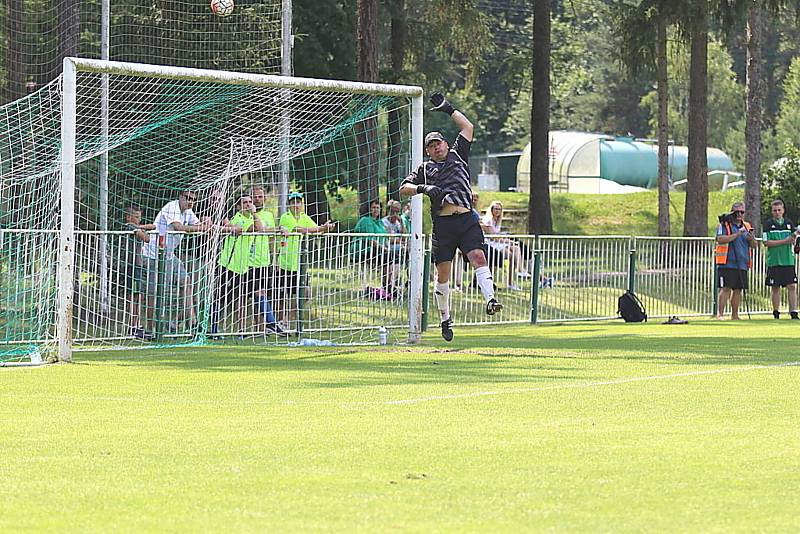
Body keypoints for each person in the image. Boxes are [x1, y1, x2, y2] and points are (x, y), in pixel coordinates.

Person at [399, 92, 502, 342]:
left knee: (478, 256)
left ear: (446, 143)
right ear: (428, 151)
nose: (437, 147)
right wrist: (423, 188)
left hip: (466, 220)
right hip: (443, 225)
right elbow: (403, 190)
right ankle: (445, 318)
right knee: (442, 274)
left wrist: (448, 109)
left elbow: (468, 126)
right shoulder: (424, 168)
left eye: (439, 143)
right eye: (431, 146)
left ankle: (491, 299)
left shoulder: (459, 154)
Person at [141, 190, 212, 339]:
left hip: (169, 255)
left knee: (186, 282)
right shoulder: (172, 207)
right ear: (180, 197)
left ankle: (192, 325)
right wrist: (202, 228)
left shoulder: (188, 211)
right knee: (155, 294)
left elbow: (201, 225)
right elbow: (180, 228)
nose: (190, 201)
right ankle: (149, 329)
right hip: (154, 255)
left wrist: (209, 224)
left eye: (193, 199)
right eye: (187, 198)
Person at [276, 191, 336, 329]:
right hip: (285, 263)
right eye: (293, 202)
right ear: (289, 205)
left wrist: (326, 228)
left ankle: (290, 318)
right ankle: (282, 322)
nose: (296, 205)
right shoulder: (286, 217)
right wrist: (321, 228)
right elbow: (300, 229)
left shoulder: (304, 217)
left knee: (306, 293)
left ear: (302, 204)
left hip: (300, 264)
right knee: (282, 296)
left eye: (298, 202)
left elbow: (316, 229)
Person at [211, 194, 264, 337]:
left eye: (250, 202)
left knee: (240, 298)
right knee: (219, 298)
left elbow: (259, 227)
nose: (248, 204)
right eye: (245, 203)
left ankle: (241, 330)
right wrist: (254, 213)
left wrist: (254, 214)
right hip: (228, 265)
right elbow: (256, 229)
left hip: (242, 266)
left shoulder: (249, 218)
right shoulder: (239, 219)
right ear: (239, 207)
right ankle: (212, 328)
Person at [249, 186, 289, 336]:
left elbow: (271, 238)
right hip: (247, 261)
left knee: (261, 294)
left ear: (265, 198)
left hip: (264, 262)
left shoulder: (268, 214)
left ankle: (265, 327)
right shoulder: (246, 215)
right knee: (240, 296)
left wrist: (274, 259)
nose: (257, 199)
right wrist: (278, 228)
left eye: (260, 197)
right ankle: (271, 324)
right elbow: (261, 229)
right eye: (255, 197)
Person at [714, 201, 758, 320]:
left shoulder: (747, 226)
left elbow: (754, 245)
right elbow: (720, 239)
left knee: (738, 289)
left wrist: (751, 239)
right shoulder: (725, 225)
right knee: (726, 288)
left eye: (741, 212)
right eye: (736, 212)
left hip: (742, 263)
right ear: (732, 212)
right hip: (727, 262)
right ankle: (720, 314)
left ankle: (735, 315)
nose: (739, 214)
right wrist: (737, 234)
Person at [762, 199, 800, 319]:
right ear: (772, 212)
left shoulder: (788, 223)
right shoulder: (768, 224)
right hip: (774, 260)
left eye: (779, 210)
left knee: (792, 285)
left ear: (783, 210)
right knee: (775, 287)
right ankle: (776, 312)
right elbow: (766, 242)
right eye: (775, 210)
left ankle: (793, 312)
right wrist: (785, 241)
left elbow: (793, 238)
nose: (777, 212)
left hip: (788, 260)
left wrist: (795, 238)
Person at [352, 199, 397, 299]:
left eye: (378, 208)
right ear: (369, 209)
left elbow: (385, 238)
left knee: (394, 256)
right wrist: (385, 249)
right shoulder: (365, 220)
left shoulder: (380, 222)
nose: (376, 210)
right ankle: (388, 286)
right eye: (373, 207)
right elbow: (371, 241)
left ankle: (390, 285)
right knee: (387, 256)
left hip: (375, 250)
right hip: (363, 250)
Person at [481, 200, 531, 290]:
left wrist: (507, 241)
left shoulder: (497, 221)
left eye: (499, 209)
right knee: (510, 254)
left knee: (515, 248)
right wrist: (507, 241)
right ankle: (516, 275)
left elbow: (498, 236)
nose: (497, 211)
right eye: (495, 209)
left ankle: (519, 272)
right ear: (491, 209)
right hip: (490, 244)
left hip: (497, 243)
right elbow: (493, 237)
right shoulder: (487, 220)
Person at [122, 206, 155, 337]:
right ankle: (133, 326)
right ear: (129, 217)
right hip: (132, 265)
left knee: (138, 296)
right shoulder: (130, 227)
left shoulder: (136, 227)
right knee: (134, 296)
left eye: (139, 218)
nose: (138, 220)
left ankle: (137, 325)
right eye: (136, 217)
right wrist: (142, 230)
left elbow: (153, 226)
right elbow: (146, 238)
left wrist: (142, 227)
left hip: (138, 265)